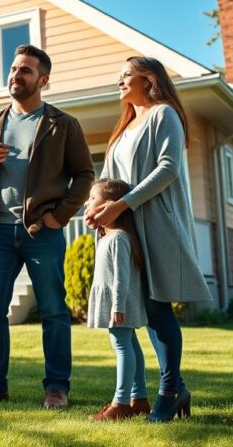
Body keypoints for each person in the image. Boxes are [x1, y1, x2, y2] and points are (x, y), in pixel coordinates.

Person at [0, 44, 94, 409]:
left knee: (53, 310)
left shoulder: (63, 125)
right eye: (14, 69)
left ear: (43, 80)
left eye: (26, 70)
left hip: (41, 231)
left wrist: (58, 216)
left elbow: (84, 175)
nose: (16, 75)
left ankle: (56, 388)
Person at [86, 56, 212, 423]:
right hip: (125, 230)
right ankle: (135, 397)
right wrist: (96, 210)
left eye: (125, 75)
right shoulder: (123, 130)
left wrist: (120, 205)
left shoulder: (164, 115)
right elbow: (107, 182)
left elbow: (168, 167)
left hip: (156, 225)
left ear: (149, 78)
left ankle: (171, 390)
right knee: (132, 315)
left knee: (158, 311)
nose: (119, 82)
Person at [84, 179, 150, 421]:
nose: (86, 202)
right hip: (117, 303)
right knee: (130, 344)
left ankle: (121, 403)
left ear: (109, 206)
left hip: (119, 303)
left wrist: (117, 306)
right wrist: (96, 225)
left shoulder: (120, 238)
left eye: (92, 198)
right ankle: (139, 398)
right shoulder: (108, 236)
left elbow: (122, 278)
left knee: (122, 346)